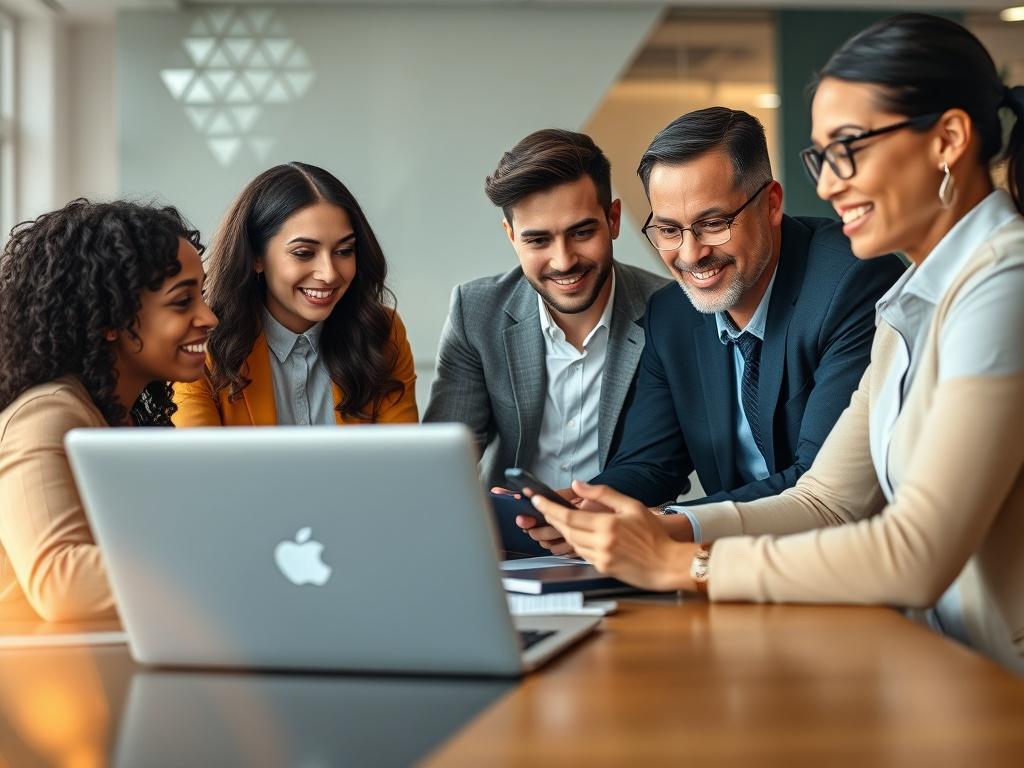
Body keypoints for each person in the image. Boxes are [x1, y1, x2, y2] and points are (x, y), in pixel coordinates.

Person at [530, 13, 1024, 673]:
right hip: (944, 669)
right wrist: (668, 529)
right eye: (820, 157)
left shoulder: (1005, 282)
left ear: (949, 140)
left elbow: (916, 554)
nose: (827, 185)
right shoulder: (914, 299)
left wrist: (686, 561)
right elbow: (827, 498)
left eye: (848, 148)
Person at [522, 108, 904, 554]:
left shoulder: (853, 283)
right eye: (668, 229)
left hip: (851, 564)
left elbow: (821, 483)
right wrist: (589, 509)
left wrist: (665, 523)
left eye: (713, 223)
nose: (691, 254)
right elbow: (649, 463)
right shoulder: (671, 313)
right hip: (732, 572)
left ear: (772, 203)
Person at [0, 200, 218, 621]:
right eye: (181, 302)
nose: (208, 317)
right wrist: (234, 566)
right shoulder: (45, 415)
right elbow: (60, 582)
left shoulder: (124, 416)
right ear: (109, 319)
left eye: (202, 295)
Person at [423, 129, 668, 490]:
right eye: (538, 240)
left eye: (582, 233)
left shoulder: (669, 310)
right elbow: (441, 465)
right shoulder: (475, 312)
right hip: (509, 537)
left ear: (613, 219)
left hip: (623, 532)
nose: (564, 260)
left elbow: (662, 463)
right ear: (511, 236)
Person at [173, 162, 417, 426]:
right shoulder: (201, 343)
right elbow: (200, 466)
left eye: (344, 251)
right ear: (256, 256)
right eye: (304, 253)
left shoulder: (381, 332)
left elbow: (404, 464)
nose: (329, 274)